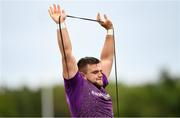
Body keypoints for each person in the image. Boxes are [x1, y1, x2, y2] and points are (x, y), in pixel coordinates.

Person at [48, 4, 115, 117]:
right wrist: (61, 24)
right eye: (95, 72)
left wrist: (110, 30)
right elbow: (66, 54)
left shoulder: (100, 82)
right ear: (83, 75)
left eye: (100, 71)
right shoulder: (76, 85)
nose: (100, 74)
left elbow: (107, 58)